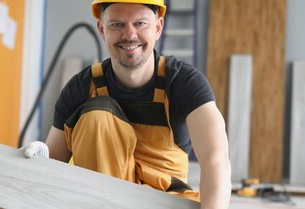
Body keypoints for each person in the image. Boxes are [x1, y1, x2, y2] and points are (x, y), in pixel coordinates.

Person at [44, 0, 231, 208]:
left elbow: (215, 159)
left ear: (158, 27)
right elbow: (50, 168)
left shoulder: (183, 82)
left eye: (140, 23)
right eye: (117, 24)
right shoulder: (82, 88)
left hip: (165, 200)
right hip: (102, 201)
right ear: (101, 29)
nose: (129, 34)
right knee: (96, 117)